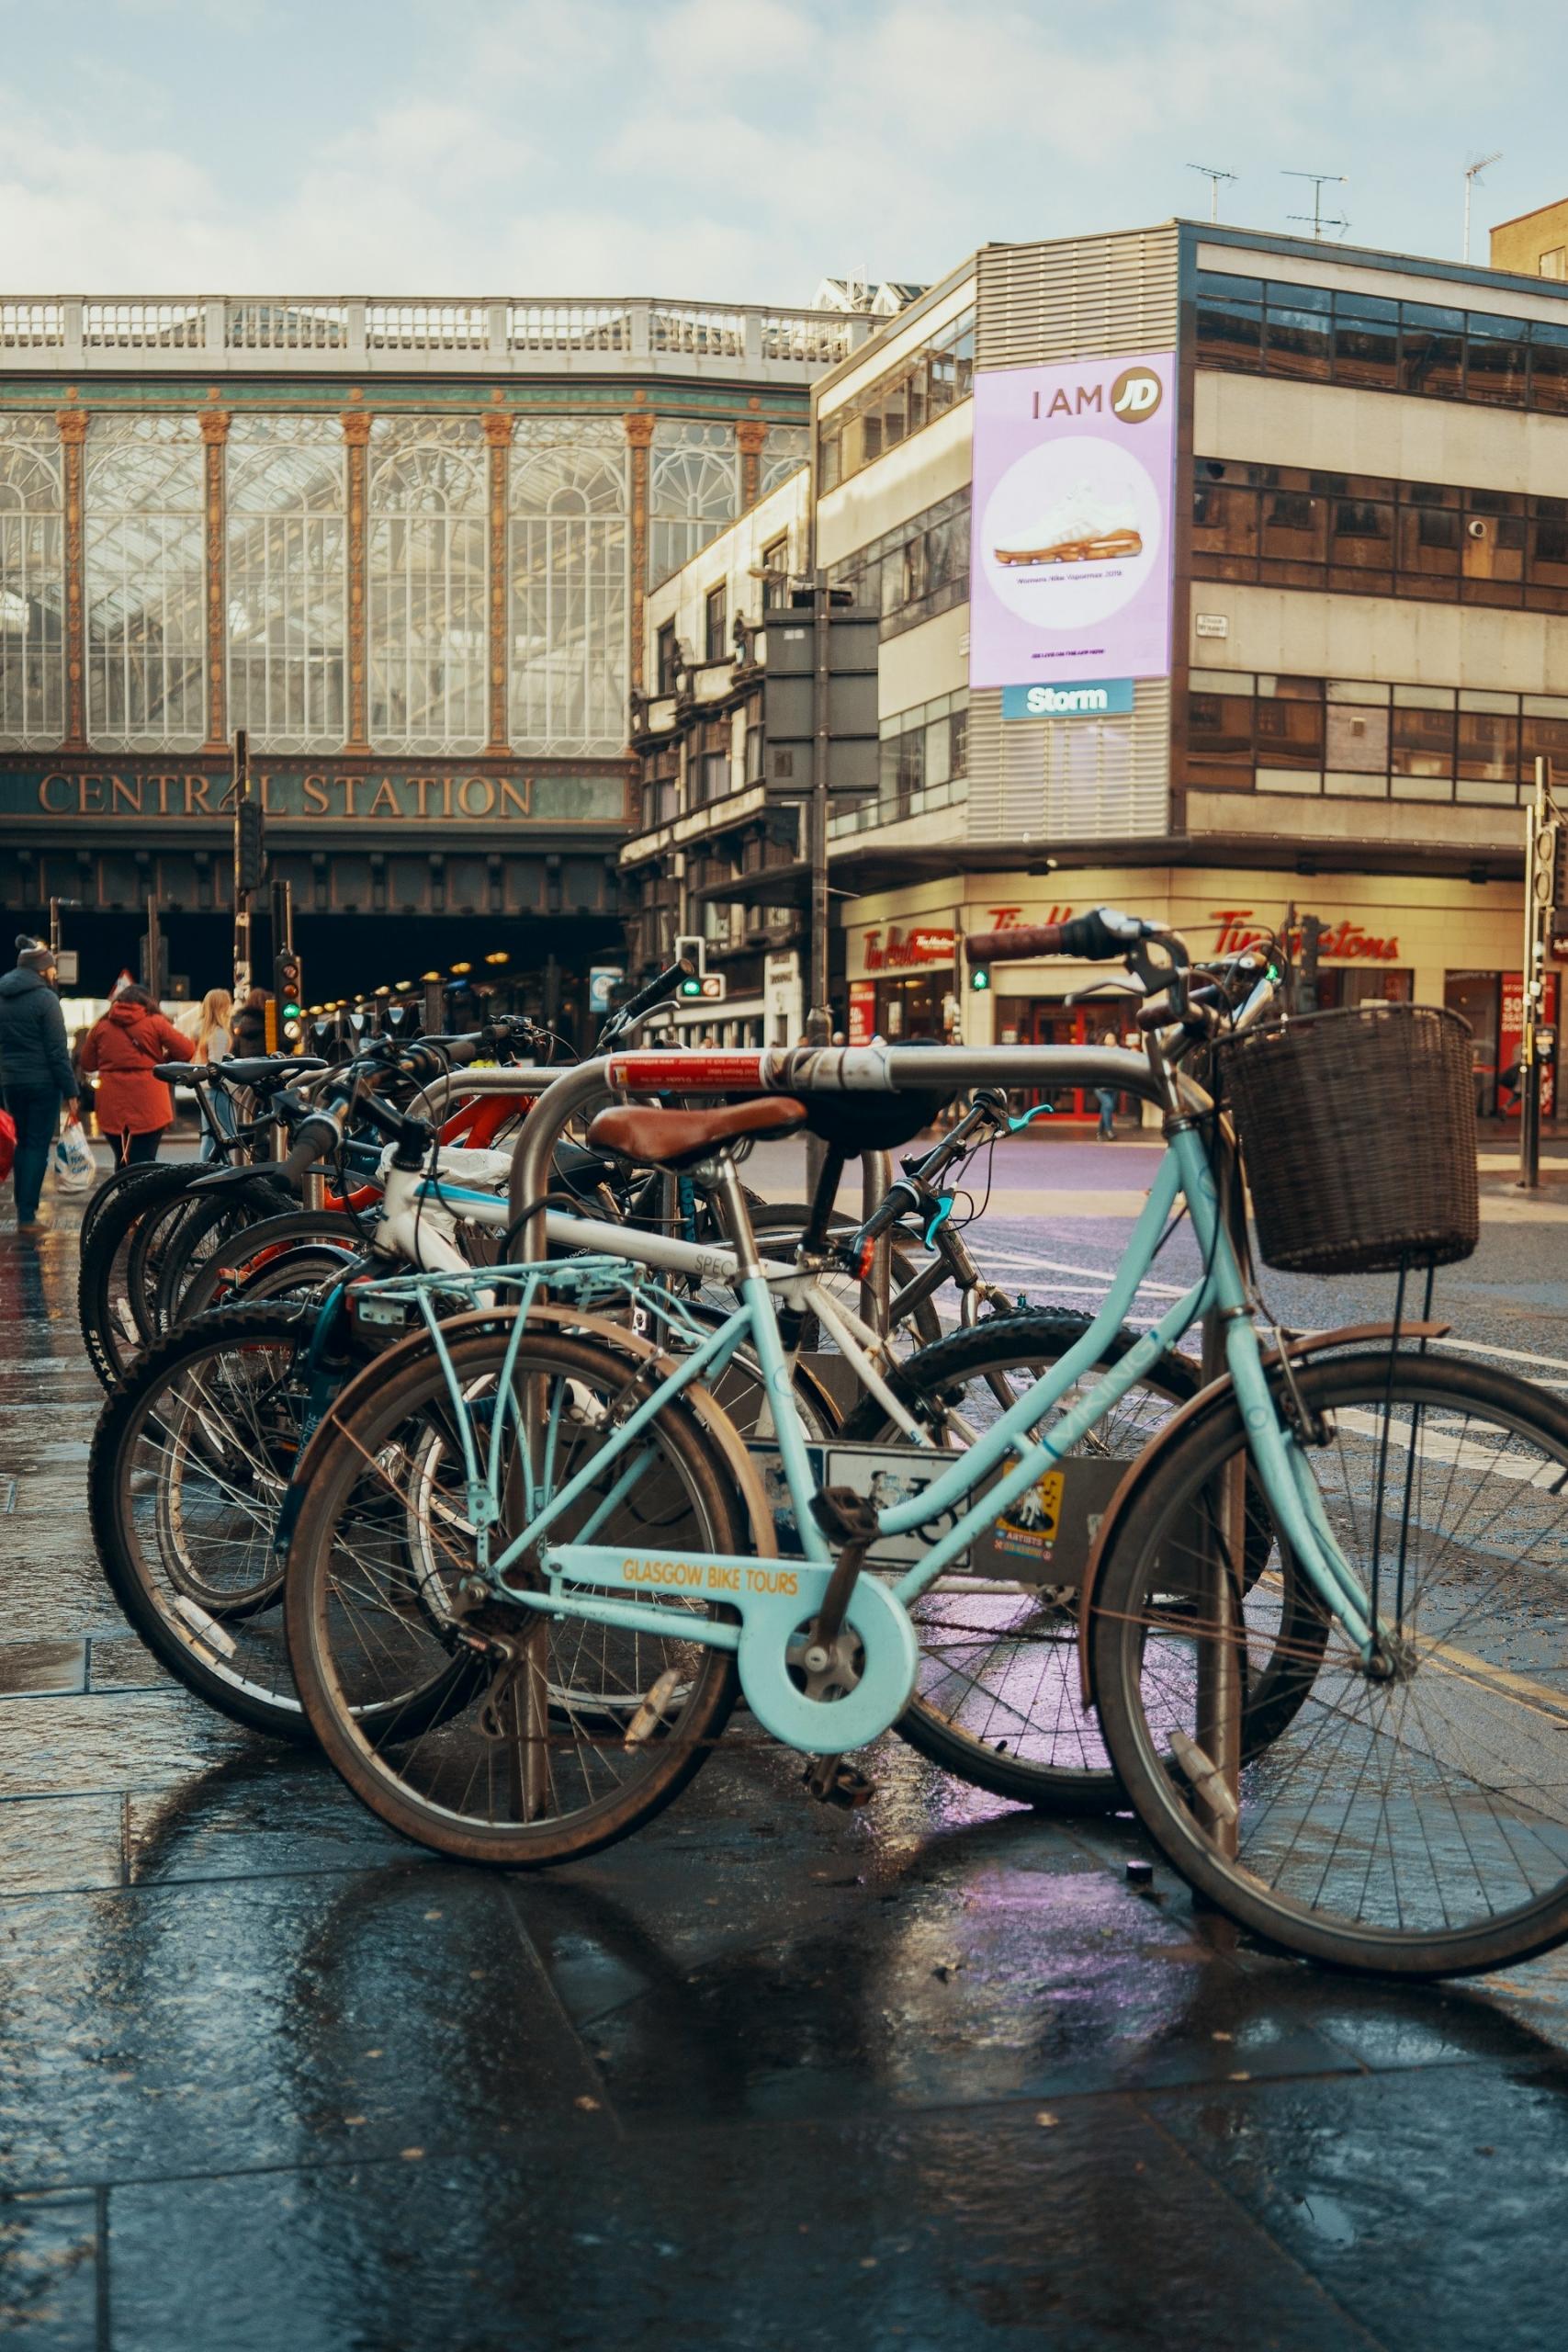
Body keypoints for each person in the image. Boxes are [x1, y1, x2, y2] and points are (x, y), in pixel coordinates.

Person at [0, 935, 81, 1234]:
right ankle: (27, 1215)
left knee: (22, 1142)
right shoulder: (46, 999)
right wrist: (71, 1091)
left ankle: (23, 1208)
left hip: (11, 1082)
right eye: (51, 967)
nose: (54, 972)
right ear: (41, 969)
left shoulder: (2, 995)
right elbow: (57, 1052)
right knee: (36, 1145)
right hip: (43, 1083)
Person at [78, 984, 193, 1168]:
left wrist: (112, 1061)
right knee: (145, 1158)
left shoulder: (101, 1027)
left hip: (111, 1102)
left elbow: (87, 1063)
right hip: (150, 1100)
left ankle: (123, 1186)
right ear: (147, 1002)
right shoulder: (156, 1022)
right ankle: (143, 1186)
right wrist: (163, 1061)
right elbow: (186, 1050)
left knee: (121, 1157)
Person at [193, 988, 234, 1160]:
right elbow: (216, 1065)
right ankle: (227, 1169)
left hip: (204, 1088)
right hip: (217, 1088)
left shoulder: (203, 1031)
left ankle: (205, 1168)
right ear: (221, 1007)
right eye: (228, 1004)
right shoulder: (219, 1033)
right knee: (229, 1133)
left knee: (210, 1135)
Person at [1096, 1031, 1120, 1142]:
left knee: (1105, 1109)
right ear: (1104, 1040)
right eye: (1108, 1038)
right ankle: (1109, 1131)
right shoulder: (1100, 1053)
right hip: (1100, 1086)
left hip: (1113, 1086)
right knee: (1108, 1105)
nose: (1110, 1040)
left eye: (1112, 1038)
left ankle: (1099, 1132)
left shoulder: (1119, 1052)